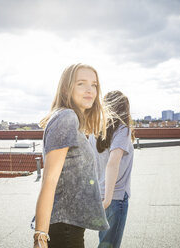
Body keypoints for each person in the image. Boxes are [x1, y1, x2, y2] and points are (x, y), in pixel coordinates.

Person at [34, 63, 109, 248]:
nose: (90, 90)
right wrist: (40, 237)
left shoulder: (68, 119)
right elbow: (49, 180)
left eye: (94, 85)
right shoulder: (67, 118)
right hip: (63, 229)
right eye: (81, 83)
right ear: (66, 89)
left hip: (69, 227)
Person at [89, 90, 134, 248]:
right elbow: (113, 163)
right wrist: (108, 200)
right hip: (114, 198)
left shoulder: (95, 130)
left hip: (99, 196)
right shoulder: (122, 129)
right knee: (109, 245)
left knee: (104, 242)